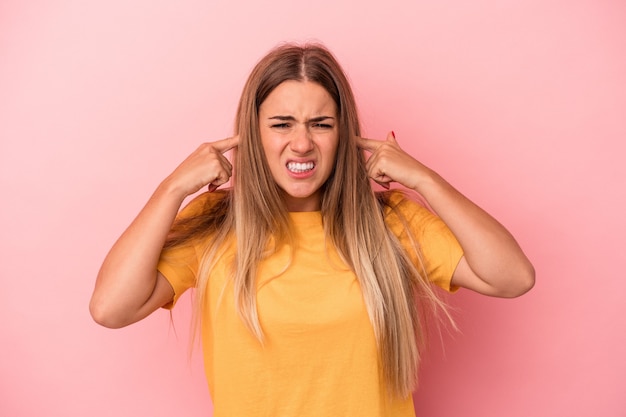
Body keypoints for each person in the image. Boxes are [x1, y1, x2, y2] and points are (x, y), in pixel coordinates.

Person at [90, 43, 534, 416]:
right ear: (252, 132)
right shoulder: (216, 223)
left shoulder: (388, 222)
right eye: (281, 124)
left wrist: (423, 179)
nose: (301, 143)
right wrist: (171, 190)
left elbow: (512, 276)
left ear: (342, 134)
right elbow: (111, 308)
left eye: (321, 124)